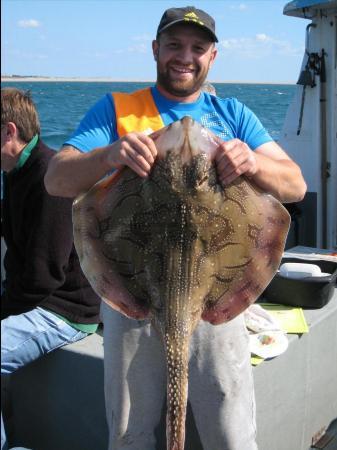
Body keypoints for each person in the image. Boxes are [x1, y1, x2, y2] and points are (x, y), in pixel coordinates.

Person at [44, 6, 307, 450]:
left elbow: (295, 186)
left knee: (230, 429)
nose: (185, 56)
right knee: (130, 431)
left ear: (212, 57)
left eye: (197, 48)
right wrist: (110, 155)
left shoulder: (235, 114)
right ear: (155, 50)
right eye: (174, 45)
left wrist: (253, 161)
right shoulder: (116, 109)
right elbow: (57, 179)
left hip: (214, 294)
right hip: (135, 296)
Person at [1, 87, 101, 450]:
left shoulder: (47, 178)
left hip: (65, 308)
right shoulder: (17, 170)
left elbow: (44, 275)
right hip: (37, 295)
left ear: (9, 132)